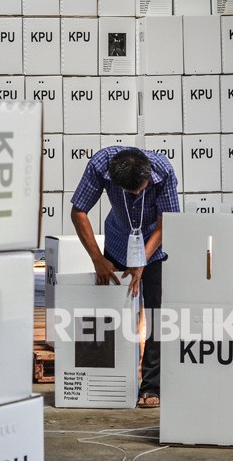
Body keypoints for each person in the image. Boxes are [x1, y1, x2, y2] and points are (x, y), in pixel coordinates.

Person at [70, 146, 179, 409]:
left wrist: (141, 261)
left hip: (155, 245)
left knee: (156, 315)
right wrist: (98, 260)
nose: (138, 194)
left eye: (141, 189)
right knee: (115, 316)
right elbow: (78, 212)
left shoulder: (162, 170)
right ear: (115, 182)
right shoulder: (100, 165)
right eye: (132, 192)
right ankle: (115, 382)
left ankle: (151, 386)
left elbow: (168, 223)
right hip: (119, 241)